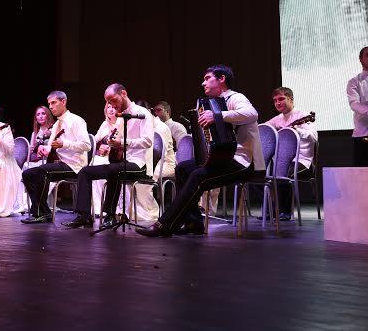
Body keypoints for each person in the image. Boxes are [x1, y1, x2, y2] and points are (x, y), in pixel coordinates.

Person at [136, 64, 264, 237]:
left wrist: (217, 116)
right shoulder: (213, 103)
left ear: (222, 79)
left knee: (198, 175)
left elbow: (252, 114)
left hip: (245, 163)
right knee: (183, 168)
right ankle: (194, 223)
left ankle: (164, 224)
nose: (203, 83)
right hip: (224, 159)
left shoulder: (235, 97)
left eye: (207, 78)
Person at [62, 83, 154, 230]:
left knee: (114, 170)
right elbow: (116, 141)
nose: (112, 105)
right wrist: (110, 146)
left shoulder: (142, 113)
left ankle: (110, 215)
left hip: (139, 164)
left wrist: (122, 143)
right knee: (85, 172)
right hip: (122, 163)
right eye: (108, 102)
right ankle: (84, 216)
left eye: (113, 100)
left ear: (123, 94)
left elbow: (148, 141)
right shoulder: (120, 117)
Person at [20, 91, 91, 224]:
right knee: (28, 174)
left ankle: (41, 213)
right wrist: (44, 149)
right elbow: (50, 147)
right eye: (49, 104)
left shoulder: (76, 120)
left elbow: (87, 145)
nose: (51, 107)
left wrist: (65, 144)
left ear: (63, 102)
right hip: (60, 163)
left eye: (54, 103)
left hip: (74, 166)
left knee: (41, 172)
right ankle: (44, 211)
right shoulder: (57, 124)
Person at [264, 87, 317, 221]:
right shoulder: (278, 119)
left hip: (302, 161)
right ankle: (273, 209)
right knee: (260, 173)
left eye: (281, 99)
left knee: (284, 173)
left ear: (291, 99)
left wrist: (297, 131)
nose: (278, 103)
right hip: (282, 161)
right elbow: (264, 128)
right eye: (275, 101)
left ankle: (285, 212)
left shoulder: (303, 116)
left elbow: (313, 137)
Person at [24, 105, 55, 170]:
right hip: (37, 161)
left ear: (48, 115)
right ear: (36, 118)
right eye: (38, 114)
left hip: (50, 162)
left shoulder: (54, 129)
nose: (40, 116)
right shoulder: (35, 133)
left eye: (43, 113)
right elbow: (31, 151)